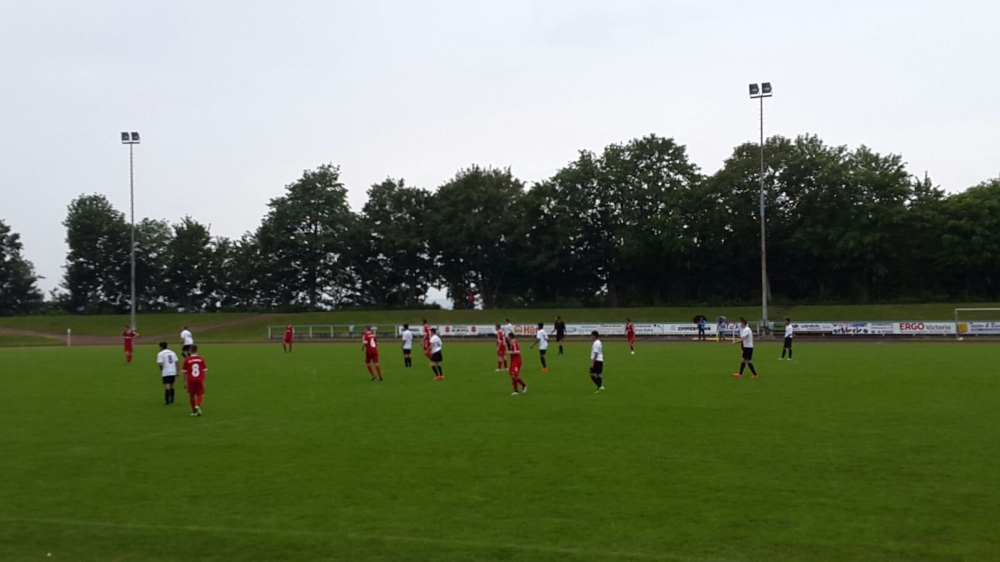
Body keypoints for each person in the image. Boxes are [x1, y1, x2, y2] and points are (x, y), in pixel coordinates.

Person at [182, 345, 207, 416]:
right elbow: (204, 370)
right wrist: (204, 380)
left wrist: (184, 382)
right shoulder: (201, 359)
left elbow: (185, 372)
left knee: (191, 395)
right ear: (196, 350)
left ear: (190, 351)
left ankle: (194, 411)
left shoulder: (187, 360)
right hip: (199, 379)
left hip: (191, 379)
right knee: (200, 393)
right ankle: (198, 405)